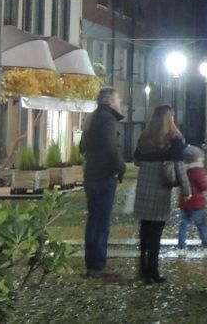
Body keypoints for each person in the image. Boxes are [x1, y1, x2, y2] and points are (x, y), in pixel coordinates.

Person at [132, 105, 189, 283]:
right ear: (170, 119)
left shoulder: (145, 137)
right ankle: (153, 269)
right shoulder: (174, 139)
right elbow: (179, 165)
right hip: (160, 187)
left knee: (145, 229)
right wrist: (186, 189)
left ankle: (143, 267)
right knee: (156, 231)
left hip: (144, 186)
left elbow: (136, 161)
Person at [80, 86, 127, 277]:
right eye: (118, 99)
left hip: (91, 173)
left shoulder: (91, 117)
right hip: (104, 175)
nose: (120, 102)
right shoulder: (108, 119)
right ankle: (98, 264)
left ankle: (92, 262)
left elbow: (82, 146)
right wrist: (120, 167)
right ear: (109, 101)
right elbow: (110, 147)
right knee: (102, 221)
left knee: (93, 219)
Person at [177, 145, 207, 254]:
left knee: (183, 223)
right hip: (196, 202)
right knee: (201, 225)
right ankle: (206, 245)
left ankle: (181, 245)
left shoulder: (182, 168)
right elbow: (203, 186)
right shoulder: (198, 170)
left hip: (185, 200)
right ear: (196, 157)